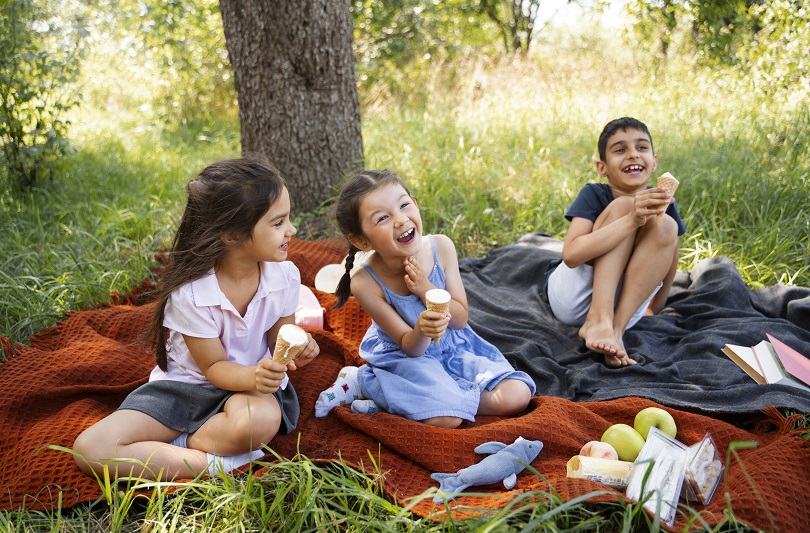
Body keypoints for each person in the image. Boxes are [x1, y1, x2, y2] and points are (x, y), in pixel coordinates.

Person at [73, 158, 319, 480]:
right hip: (185, 391)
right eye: (278, 223)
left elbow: (279, 336)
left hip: (247, 394)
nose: (292, 230)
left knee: (260, 422)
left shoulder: (285, 276)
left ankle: (177, 447)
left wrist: (296, 345)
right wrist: (255, 376)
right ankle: (214, 463)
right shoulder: (191, 294)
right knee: (90, 448)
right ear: (232, 235)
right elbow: (214, 368)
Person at [314, 170, 535, 428]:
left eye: (404, 205)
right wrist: (422, 328)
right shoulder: (365, 283)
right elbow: (411, 346)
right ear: (362, 240)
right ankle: (366, 383)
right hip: (409, 357)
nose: (400, 220)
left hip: (454, 347)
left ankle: (433, 398)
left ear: (415, 204)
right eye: (383, 218)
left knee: (517, 395)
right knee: (448, 418)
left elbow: (460, 318)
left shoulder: (441, 247)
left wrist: (425, 289)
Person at [545, 117, 686, 367]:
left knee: (667, 225)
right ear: (603, 167)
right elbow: (572, 255)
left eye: (642, 148)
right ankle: (598, 319)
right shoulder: (594, 194)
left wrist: (655, 307)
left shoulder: (662, 201)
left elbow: (670, 257)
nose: (633, 155)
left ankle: (615, 332)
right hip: (574, 296)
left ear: (655, 162)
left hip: (624, 309)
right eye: (620, 150)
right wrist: (632, 219)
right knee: (625, 204)